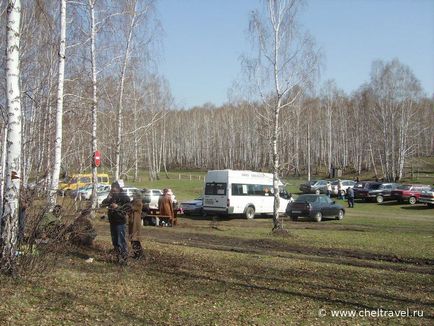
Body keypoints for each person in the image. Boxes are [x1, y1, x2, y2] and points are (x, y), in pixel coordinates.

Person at [102, 181, 131, 265]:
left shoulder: (125, 197)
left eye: (114, 190)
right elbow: (103, 204)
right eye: (112, 190)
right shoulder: (112, 197)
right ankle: (118, 258)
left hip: (120, 222)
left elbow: (128, 208)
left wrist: (118, 207)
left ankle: (124, 259)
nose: (113, 192)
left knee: (120, 241)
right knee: (115, 241)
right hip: (112, 221)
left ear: (118, 189)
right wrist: (108, 197)